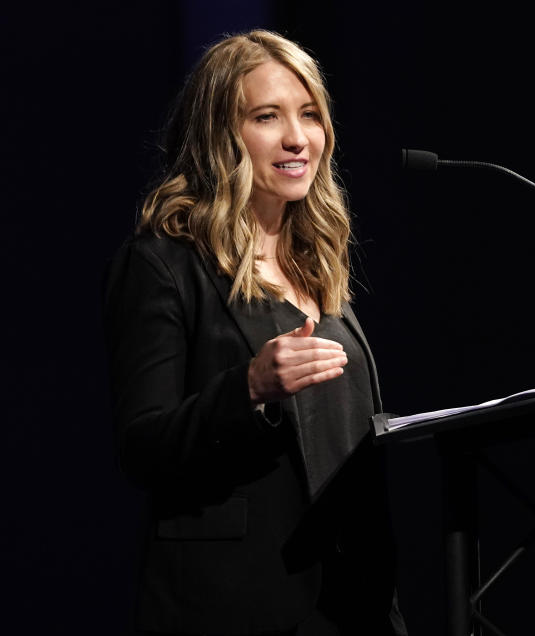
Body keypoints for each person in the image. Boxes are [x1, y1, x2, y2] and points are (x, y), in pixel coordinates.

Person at [103, 30, 407, 636]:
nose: (298, 138)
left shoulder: (317, 263)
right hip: (238, 603)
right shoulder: (166, 264)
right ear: (221, 134)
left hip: (352, 602)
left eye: (310, 115)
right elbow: (142, 446)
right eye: (268, 117)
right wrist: (248, 388)